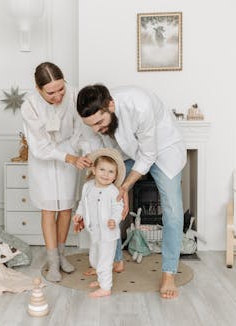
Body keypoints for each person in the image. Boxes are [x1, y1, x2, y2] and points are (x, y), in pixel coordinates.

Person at [76, 84, 186, 299]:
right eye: (92, 126)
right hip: (126, 152)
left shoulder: (140, 105)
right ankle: (113, 260)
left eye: (99, 122)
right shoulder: (96, 118)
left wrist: (125, 185)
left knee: (173, 209)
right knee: (109, 197)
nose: (97, 129)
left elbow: (148, 154)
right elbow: (93, 144)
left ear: (111, 105)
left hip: (163, 149)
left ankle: (169, 272)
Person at [20, 62, 91, 282]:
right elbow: (40, 146)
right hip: (44, 161)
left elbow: (81, 132)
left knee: (67, 208)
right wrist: (68, 158)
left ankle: (62, 256)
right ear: (38, 88)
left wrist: (84, 154)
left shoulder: (73, 95)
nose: (58, 96)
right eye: (51, 92)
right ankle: (52, 262)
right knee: (49, 209)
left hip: (70, 153)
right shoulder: (29, 106)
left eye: (61, 89)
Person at [72, 148, 125, 298]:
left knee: (105, 261)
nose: (106, 174)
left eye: (110, 172)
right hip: (93, 231)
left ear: (115, 176)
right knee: (94, 257)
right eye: (102, 169)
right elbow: (83, 203)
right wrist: (78, 214)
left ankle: (106, 287)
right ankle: (101, 279)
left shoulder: (113, 191)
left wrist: (114, 220)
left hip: (108, 234)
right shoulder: (87, 187)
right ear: (94, 170)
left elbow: (118, 208)